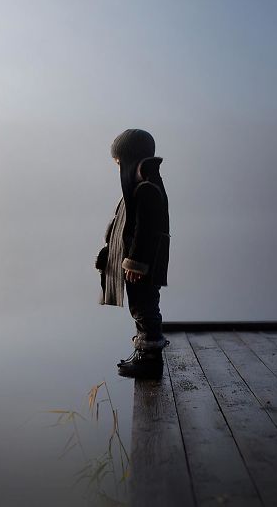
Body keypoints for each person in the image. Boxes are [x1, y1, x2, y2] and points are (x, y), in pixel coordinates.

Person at [95, 129, 171, 377]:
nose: (118, 170)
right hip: (143, 263)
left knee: (144, 308)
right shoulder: (144, 186)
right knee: (142, 307)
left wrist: (136, 263)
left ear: (131, 160)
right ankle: (144, 351)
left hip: (144, 265)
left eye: (119, 163)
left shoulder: (147, 189)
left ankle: (149, 358)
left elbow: (145, 231)